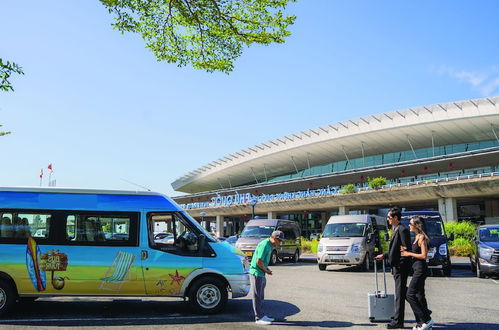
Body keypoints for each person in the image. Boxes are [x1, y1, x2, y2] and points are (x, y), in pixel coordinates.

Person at [375, 206, 411, 329]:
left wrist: (400, 263)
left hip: (400, 267)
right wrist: (384, 255)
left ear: (396, 218)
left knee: (400, 296)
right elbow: (394, 250)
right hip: (396, 266)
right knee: (404, 293)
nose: (388, 219)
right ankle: (423, 310)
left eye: (389, 217)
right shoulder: (395, 229)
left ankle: (398, 322)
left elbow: (406, 249)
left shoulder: (402, 230)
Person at [401, 216, 434, 330]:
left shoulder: (422, 238)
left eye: (410, 224)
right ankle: (422, 322)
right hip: (416, 269)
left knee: (410, 294)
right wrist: (405, 251)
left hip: (420, 270)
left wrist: (409, 254)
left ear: (417, 225)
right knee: (420, 296)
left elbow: (424, 256)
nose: (409, 225)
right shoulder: (415, 237)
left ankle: (426, 318)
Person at [249, 230, 284, 325]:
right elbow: (258, 261)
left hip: (261, 273)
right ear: (274, 238)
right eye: (279, 240)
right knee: (257, 296)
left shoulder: (270, 245)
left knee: (261, 295)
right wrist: (266, 270)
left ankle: (262, 315)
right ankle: (258, 318)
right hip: (256, 273)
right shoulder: (265, 244)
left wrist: (266, 269)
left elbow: (263, 261)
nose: (279, 243)